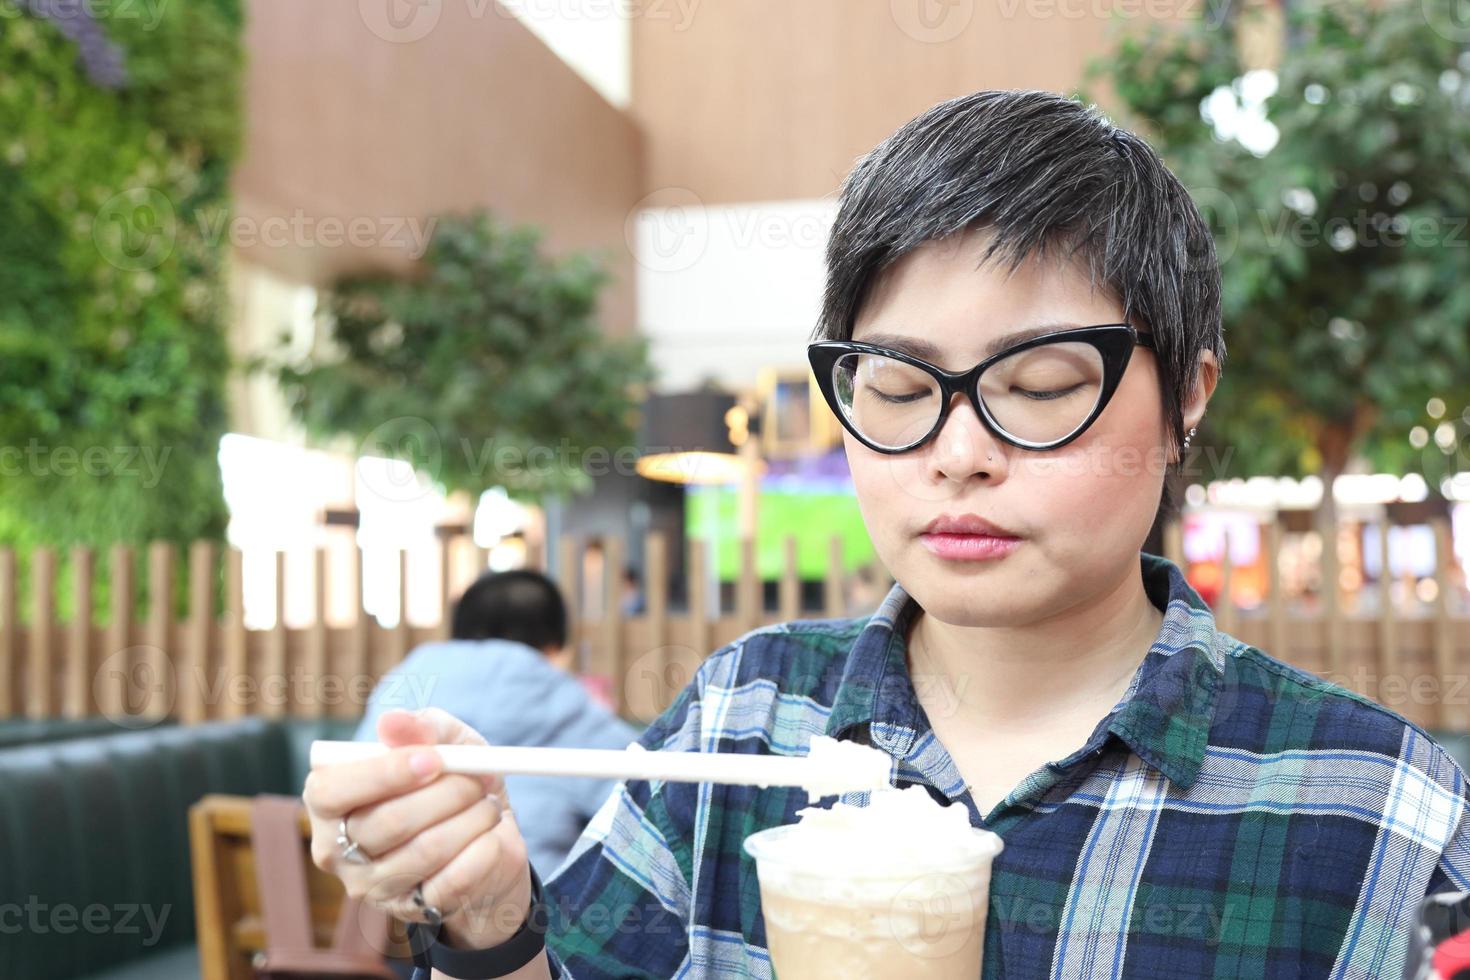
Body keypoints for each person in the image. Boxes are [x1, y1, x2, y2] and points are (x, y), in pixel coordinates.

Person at [304, 91, 1470, 979]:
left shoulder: (1381, 810)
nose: (957, 449)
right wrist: (491, 909)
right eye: (902, 388)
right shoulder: (744, 718)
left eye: (1044, 381)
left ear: (1188, 398)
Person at [350, 569, 639, 879]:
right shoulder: (564, 701)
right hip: (536, 904)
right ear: (555, 646)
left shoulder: (405, 681)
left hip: (386, 898)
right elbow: (645, 799)